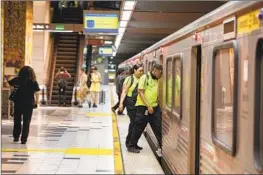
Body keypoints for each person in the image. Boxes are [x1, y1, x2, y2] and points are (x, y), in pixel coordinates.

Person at [127, 64, 163, 153]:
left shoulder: (156, 79)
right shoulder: (144, 77)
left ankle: (162, 146)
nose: (160, 75)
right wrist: (148, 105)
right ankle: (131, 145)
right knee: (139, 127)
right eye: (159, 73)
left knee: (158, 127)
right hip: (143, 107)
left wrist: (157, 98)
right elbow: (140, 92)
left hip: (155, 107)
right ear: (154, 70)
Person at [8, 66, 40, 144]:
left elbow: (9, 84)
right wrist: (36, 101)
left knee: (17, 120)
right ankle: (24, 139)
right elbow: (37, 92)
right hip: (29, 103)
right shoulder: (33, 81)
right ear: (31, 73)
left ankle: (16, 137)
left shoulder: (16, 80)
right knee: (27, 121)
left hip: (18, 102)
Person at [119, 64, 144, 149]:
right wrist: (121, 104)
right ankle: (129, 143)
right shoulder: (129, 79)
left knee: (138, 124)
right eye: (140, 71)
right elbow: (124, 92)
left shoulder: (141, 78)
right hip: (130, 103)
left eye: (142, 71)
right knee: (134, 123)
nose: (141, 72)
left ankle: (134, 143)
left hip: (139, 104)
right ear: (134, 70)